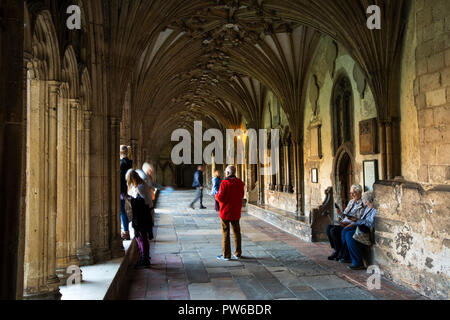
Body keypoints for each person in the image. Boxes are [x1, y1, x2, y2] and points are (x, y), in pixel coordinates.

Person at [325, 184, 365, 262]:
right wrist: (340, 213)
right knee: (328, 228)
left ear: (359, 192)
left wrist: (349, 222)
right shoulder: (351, 202)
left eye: (354, 193)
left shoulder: (363, 204)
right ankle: (337, 250)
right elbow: (345, 216)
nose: (352, 195)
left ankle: (340, 252)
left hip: (352, 224)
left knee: (334, 231)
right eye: (351, 193)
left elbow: (360, 218)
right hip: (344, 222)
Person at [215, 165, 245, 261]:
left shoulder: (224, 183)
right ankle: (238, 253)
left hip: (225, 212)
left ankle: (226, 255)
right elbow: (242, 195)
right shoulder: (240, 183)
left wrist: (216, 195)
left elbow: (220, 197)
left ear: (227, 173)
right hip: (236, 211)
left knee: (225, 232)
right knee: (237, 232)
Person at [342, 191, 377, 270]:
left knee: (349, 235)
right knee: (345, 230)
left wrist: (358, 220)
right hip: (361, 226)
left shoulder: (375, 210)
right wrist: (355, 220)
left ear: (371, 201)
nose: (365, 204)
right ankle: (345, 255)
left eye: (367, 202)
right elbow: (363, 219)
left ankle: (358, 262)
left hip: (367, 230)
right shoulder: (368, 207)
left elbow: (371, 224)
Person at [127, 170, 153, 269]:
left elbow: (141, 203)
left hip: (142, 216)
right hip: (145, 214)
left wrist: (128, 198)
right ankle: (145, 257)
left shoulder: (139, 188)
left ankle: (145, 259)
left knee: (141, 237)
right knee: (142, 237)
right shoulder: (143, 184)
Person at [120, 145, 132, 240]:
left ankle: (126, 231)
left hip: (122, 190)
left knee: (121, 211)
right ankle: (126, 230)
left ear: (120, 152)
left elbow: (121, 178)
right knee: (122, 210)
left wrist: (121, 192)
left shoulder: (122, 163)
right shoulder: (129, 162)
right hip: (126, 189)